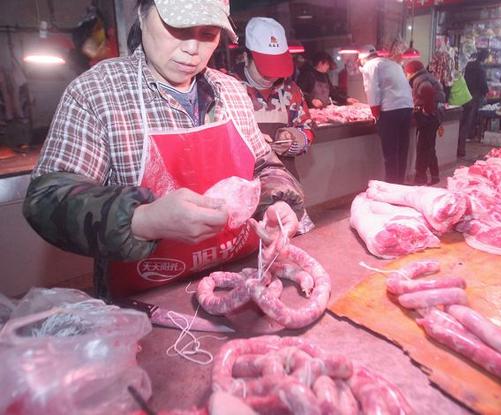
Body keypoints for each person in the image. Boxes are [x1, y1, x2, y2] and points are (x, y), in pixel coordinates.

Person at [22, 0, 303, 299]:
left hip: (239, 280)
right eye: (178, 29)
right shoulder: (97, 93)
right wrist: (142, 220)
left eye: (208, 33)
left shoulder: (231, 91)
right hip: (147, 296)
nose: (193, 49)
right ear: (142, 17)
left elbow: (263, 164)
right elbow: (48, 200)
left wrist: (277, 202)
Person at [232, 16, 315, 233]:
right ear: (245, 57)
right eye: (264, 68)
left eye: (276, 68)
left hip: (285, 188)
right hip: (242, 192)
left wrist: (293, 139)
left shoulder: (290, 90)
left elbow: (307, 130)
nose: (271, 75)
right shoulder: (228, 87)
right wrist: (252, 142)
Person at [358, 44, 414, 184]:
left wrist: (375, 113)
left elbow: (371, 89)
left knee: (390, 151)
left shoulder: (370, 65)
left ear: (363, 58)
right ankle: (400, 183)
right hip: (406, 107)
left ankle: (391, 186)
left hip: (390, 110)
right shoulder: (392, 64)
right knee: (402, 148)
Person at [404, 60, 446, 186]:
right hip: (436, 115)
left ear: (411, 72)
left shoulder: (419, 80)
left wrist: (426, 112)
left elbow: (427, 91)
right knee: (429, 147)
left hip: (430, 117)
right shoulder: (426, 76)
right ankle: (435, 176)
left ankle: (420, 178)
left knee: (423, 148)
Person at [457, 49, 489, 158]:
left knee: (460, 123)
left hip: (462, 96)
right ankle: (461, 150)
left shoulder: (467, 67)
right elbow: (483, 85)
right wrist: (486, 92)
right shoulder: (480, 69)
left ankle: (455, 148)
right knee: (466, 124)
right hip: (473, 97)